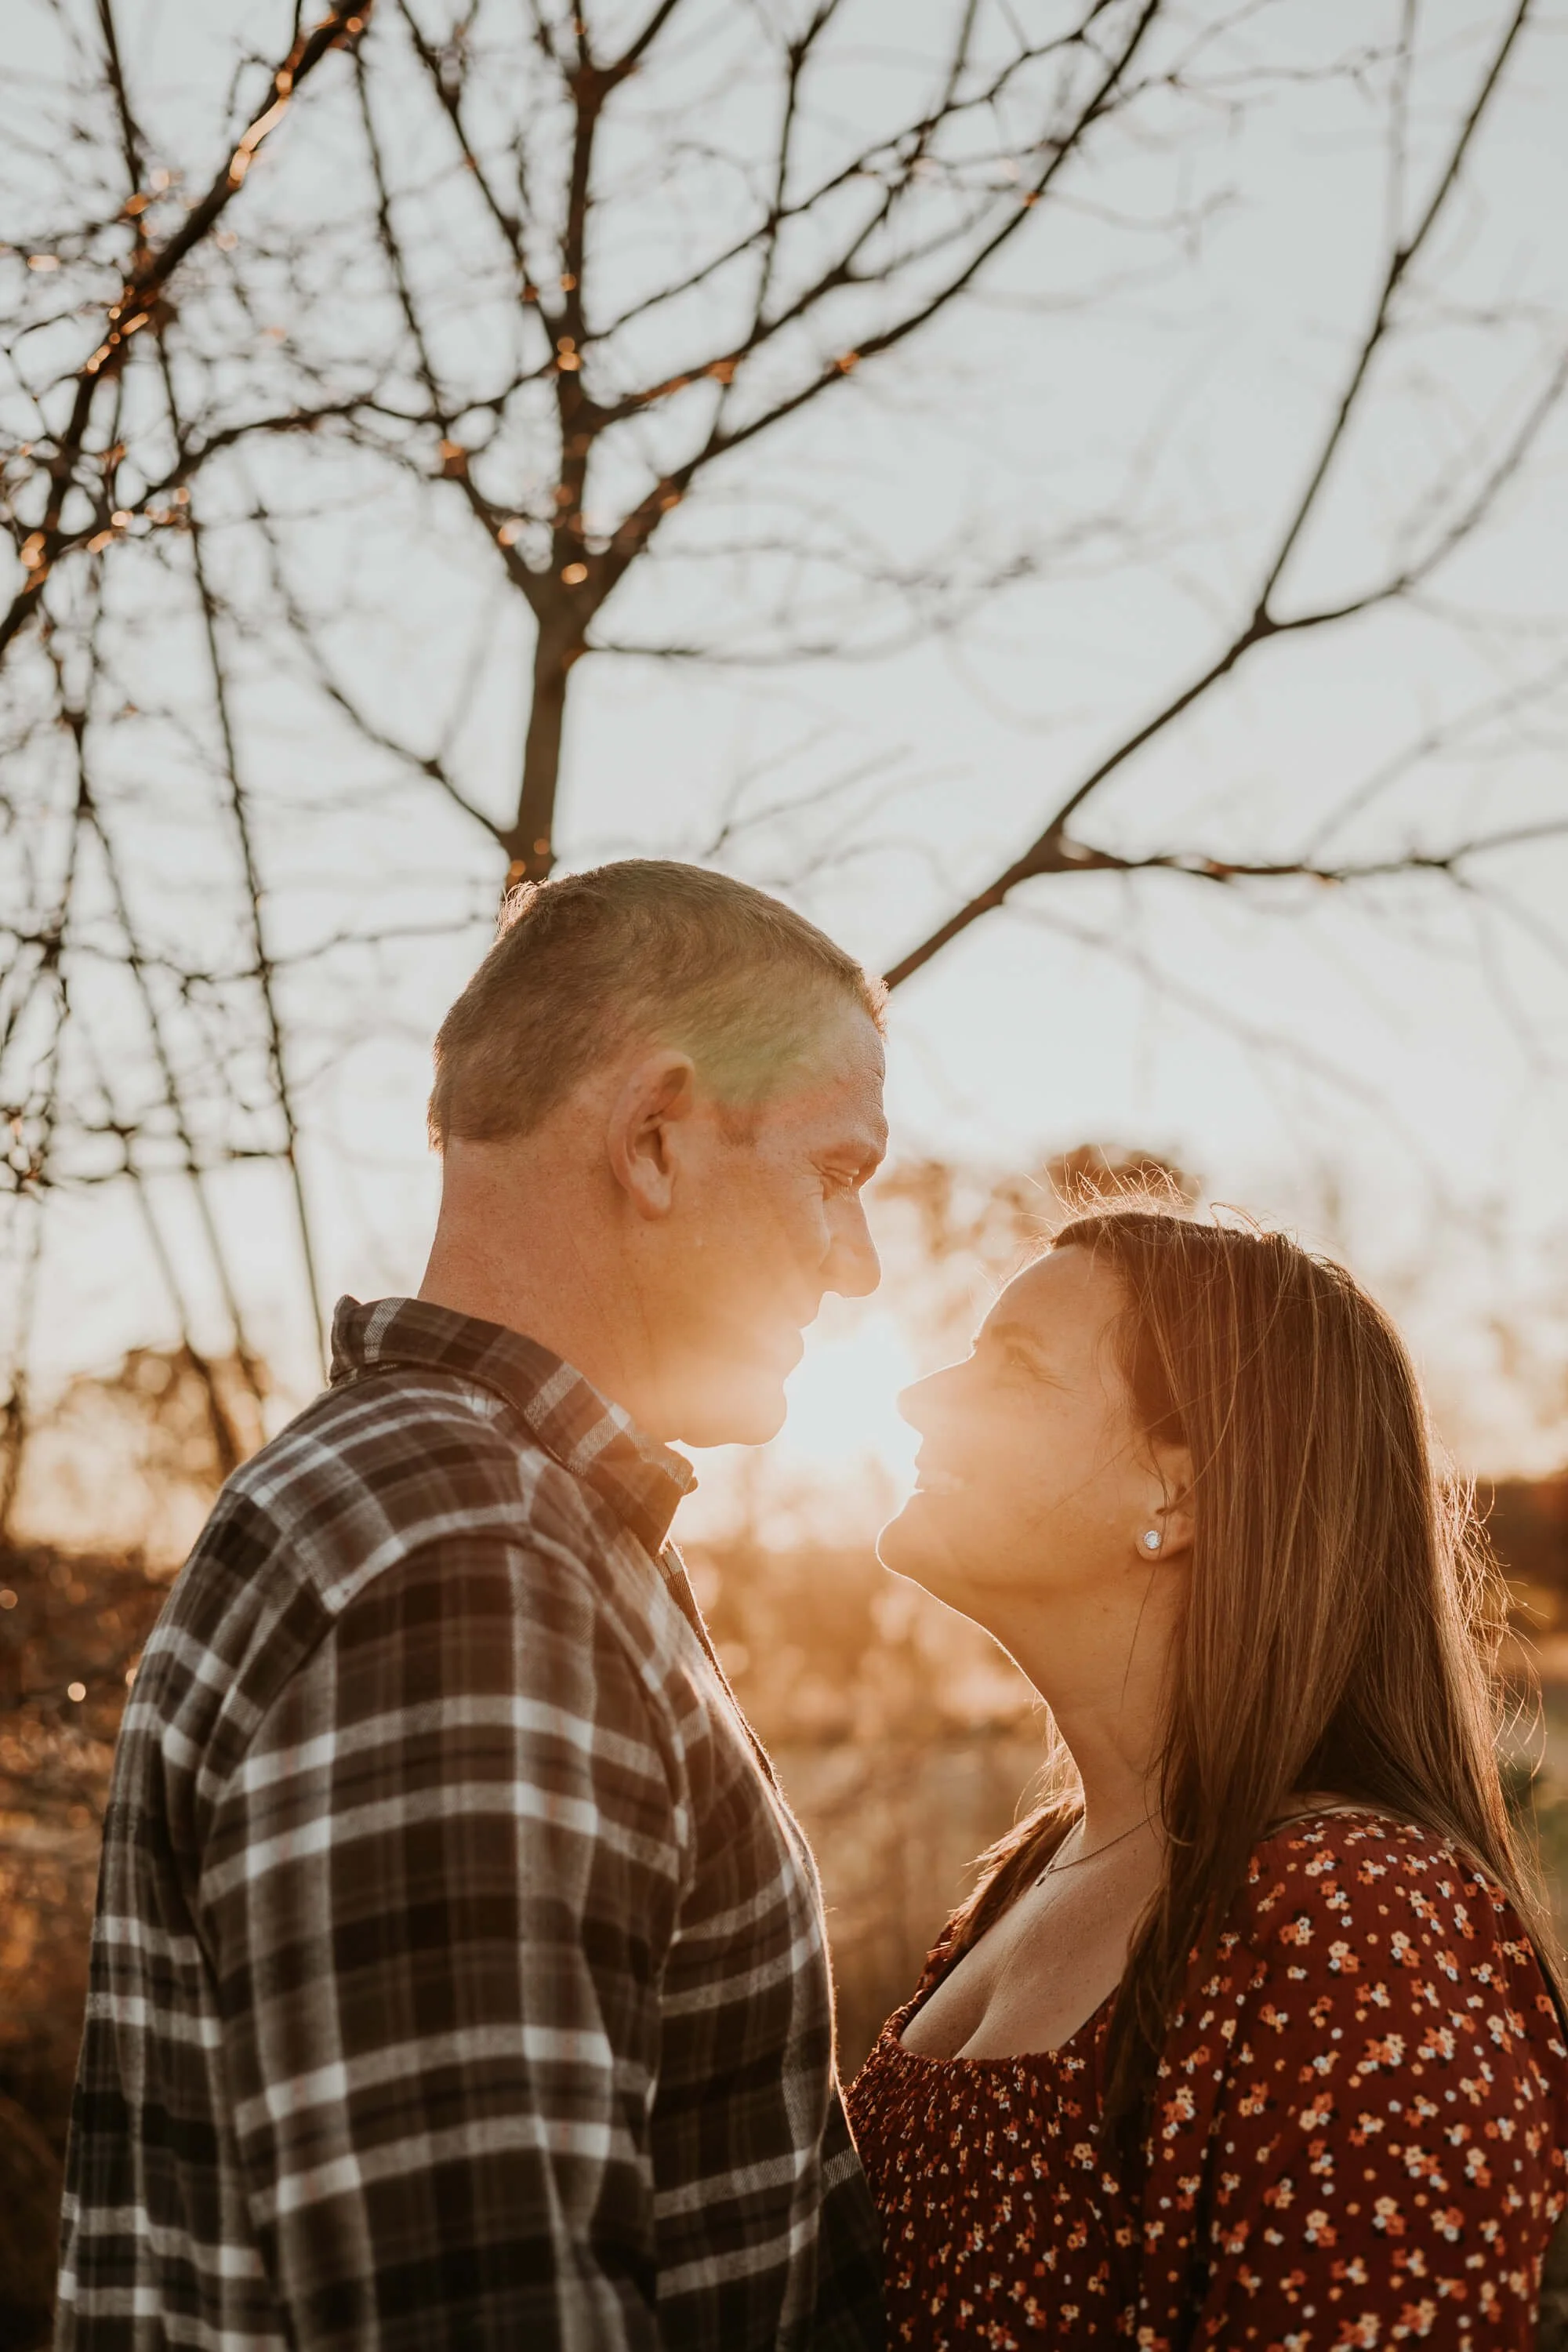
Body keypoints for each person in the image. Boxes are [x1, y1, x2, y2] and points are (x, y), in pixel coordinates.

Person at [57, 861, 889, 2351]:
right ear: (652, 1139)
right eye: (836, 1176)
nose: (863, 1264)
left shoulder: (485, 1517)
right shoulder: (464, 1558)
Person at [848, 1207, 1568, 2348]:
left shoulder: (1355, 1920)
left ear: (1175, 1499)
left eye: (1017, 1368)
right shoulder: (1037, 1866)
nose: (920, 1397)